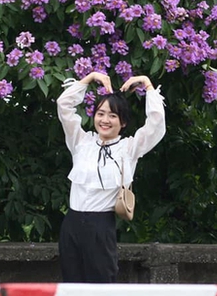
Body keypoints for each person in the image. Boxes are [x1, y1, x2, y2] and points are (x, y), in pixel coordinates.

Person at [56, 71, 166, 283]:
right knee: (71, 285)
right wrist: (89, 78)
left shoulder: (129, 148)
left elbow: (156, 125)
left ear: (122, 122)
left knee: (102, 286)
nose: (105, 120)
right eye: (100, 113)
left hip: (101, 226)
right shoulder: (80, 142)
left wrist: (147, 85)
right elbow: (64, 106)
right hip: (71, 225)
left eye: (113, 116)